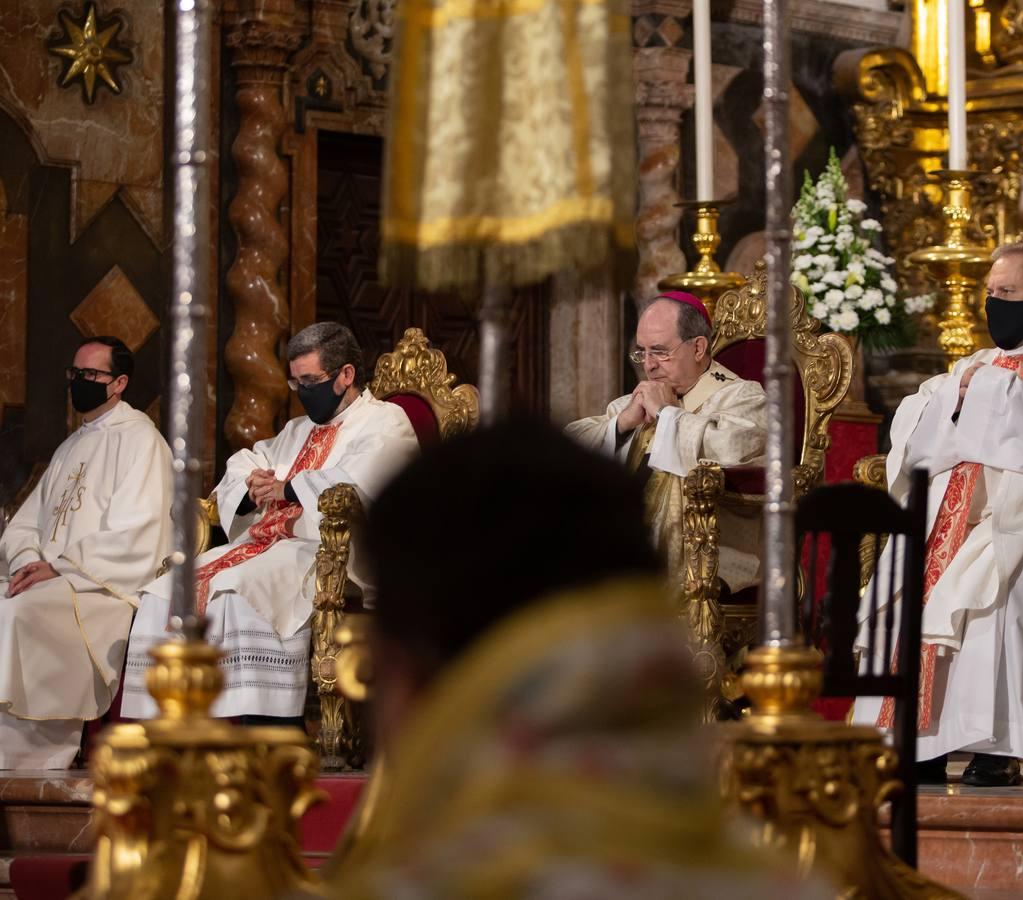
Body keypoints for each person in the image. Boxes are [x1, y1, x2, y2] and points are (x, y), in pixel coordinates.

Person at [324, 419, 833, 899]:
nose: (652, 361)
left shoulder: (417, 888)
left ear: (407, 674)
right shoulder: (794, 885)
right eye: (644, 351)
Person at [852, 240, 1023, 787]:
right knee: (907, 581)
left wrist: (990, 398)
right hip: (959, 511)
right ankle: (915, 741)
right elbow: (923, 418)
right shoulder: (978, 362)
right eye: (989, 293)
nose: (992, 304)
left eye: (1006, 293)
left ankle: (995, 746)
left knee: (999, 584)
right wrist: (961, 396)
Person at [121, 323, 419, 722]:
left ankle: (262, 723)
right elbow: (250, 458)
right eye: (295, 383)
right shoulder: (298, 429)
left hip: (329, 552)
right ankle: (169, 722)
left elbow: (366, 481)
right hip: (268, 545)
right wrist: (253, 483)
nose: (302, 392)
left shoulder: (386, 421)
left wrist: (289, 487)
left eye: (310, 381)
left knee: (235, 591)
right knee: (164, 592)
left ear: (346, 375)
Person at [0, 337, 171, 767]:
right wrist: (25, 563)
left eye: (90, 375)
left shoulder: (142, 442)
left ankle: (31, 757)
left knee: (20, 612)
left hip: (99, 589)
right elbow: (25, 523)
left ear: (119, 383)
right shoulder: (70, 447)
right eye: (74, 374)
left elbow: (140, 532)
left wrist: (58, 567)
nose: (78, 383)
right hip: (53, 579)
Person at [565, 292, 767, 592]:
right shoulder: (634, 403)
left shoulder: (741, 396)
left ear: (698, 347)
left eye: (659, 352)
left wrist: (665, 414)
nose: (648, 365)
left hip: (712, 552)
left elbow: (735, 448)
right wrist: (622, 425)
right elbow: (567, 448)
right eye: (641, 352)